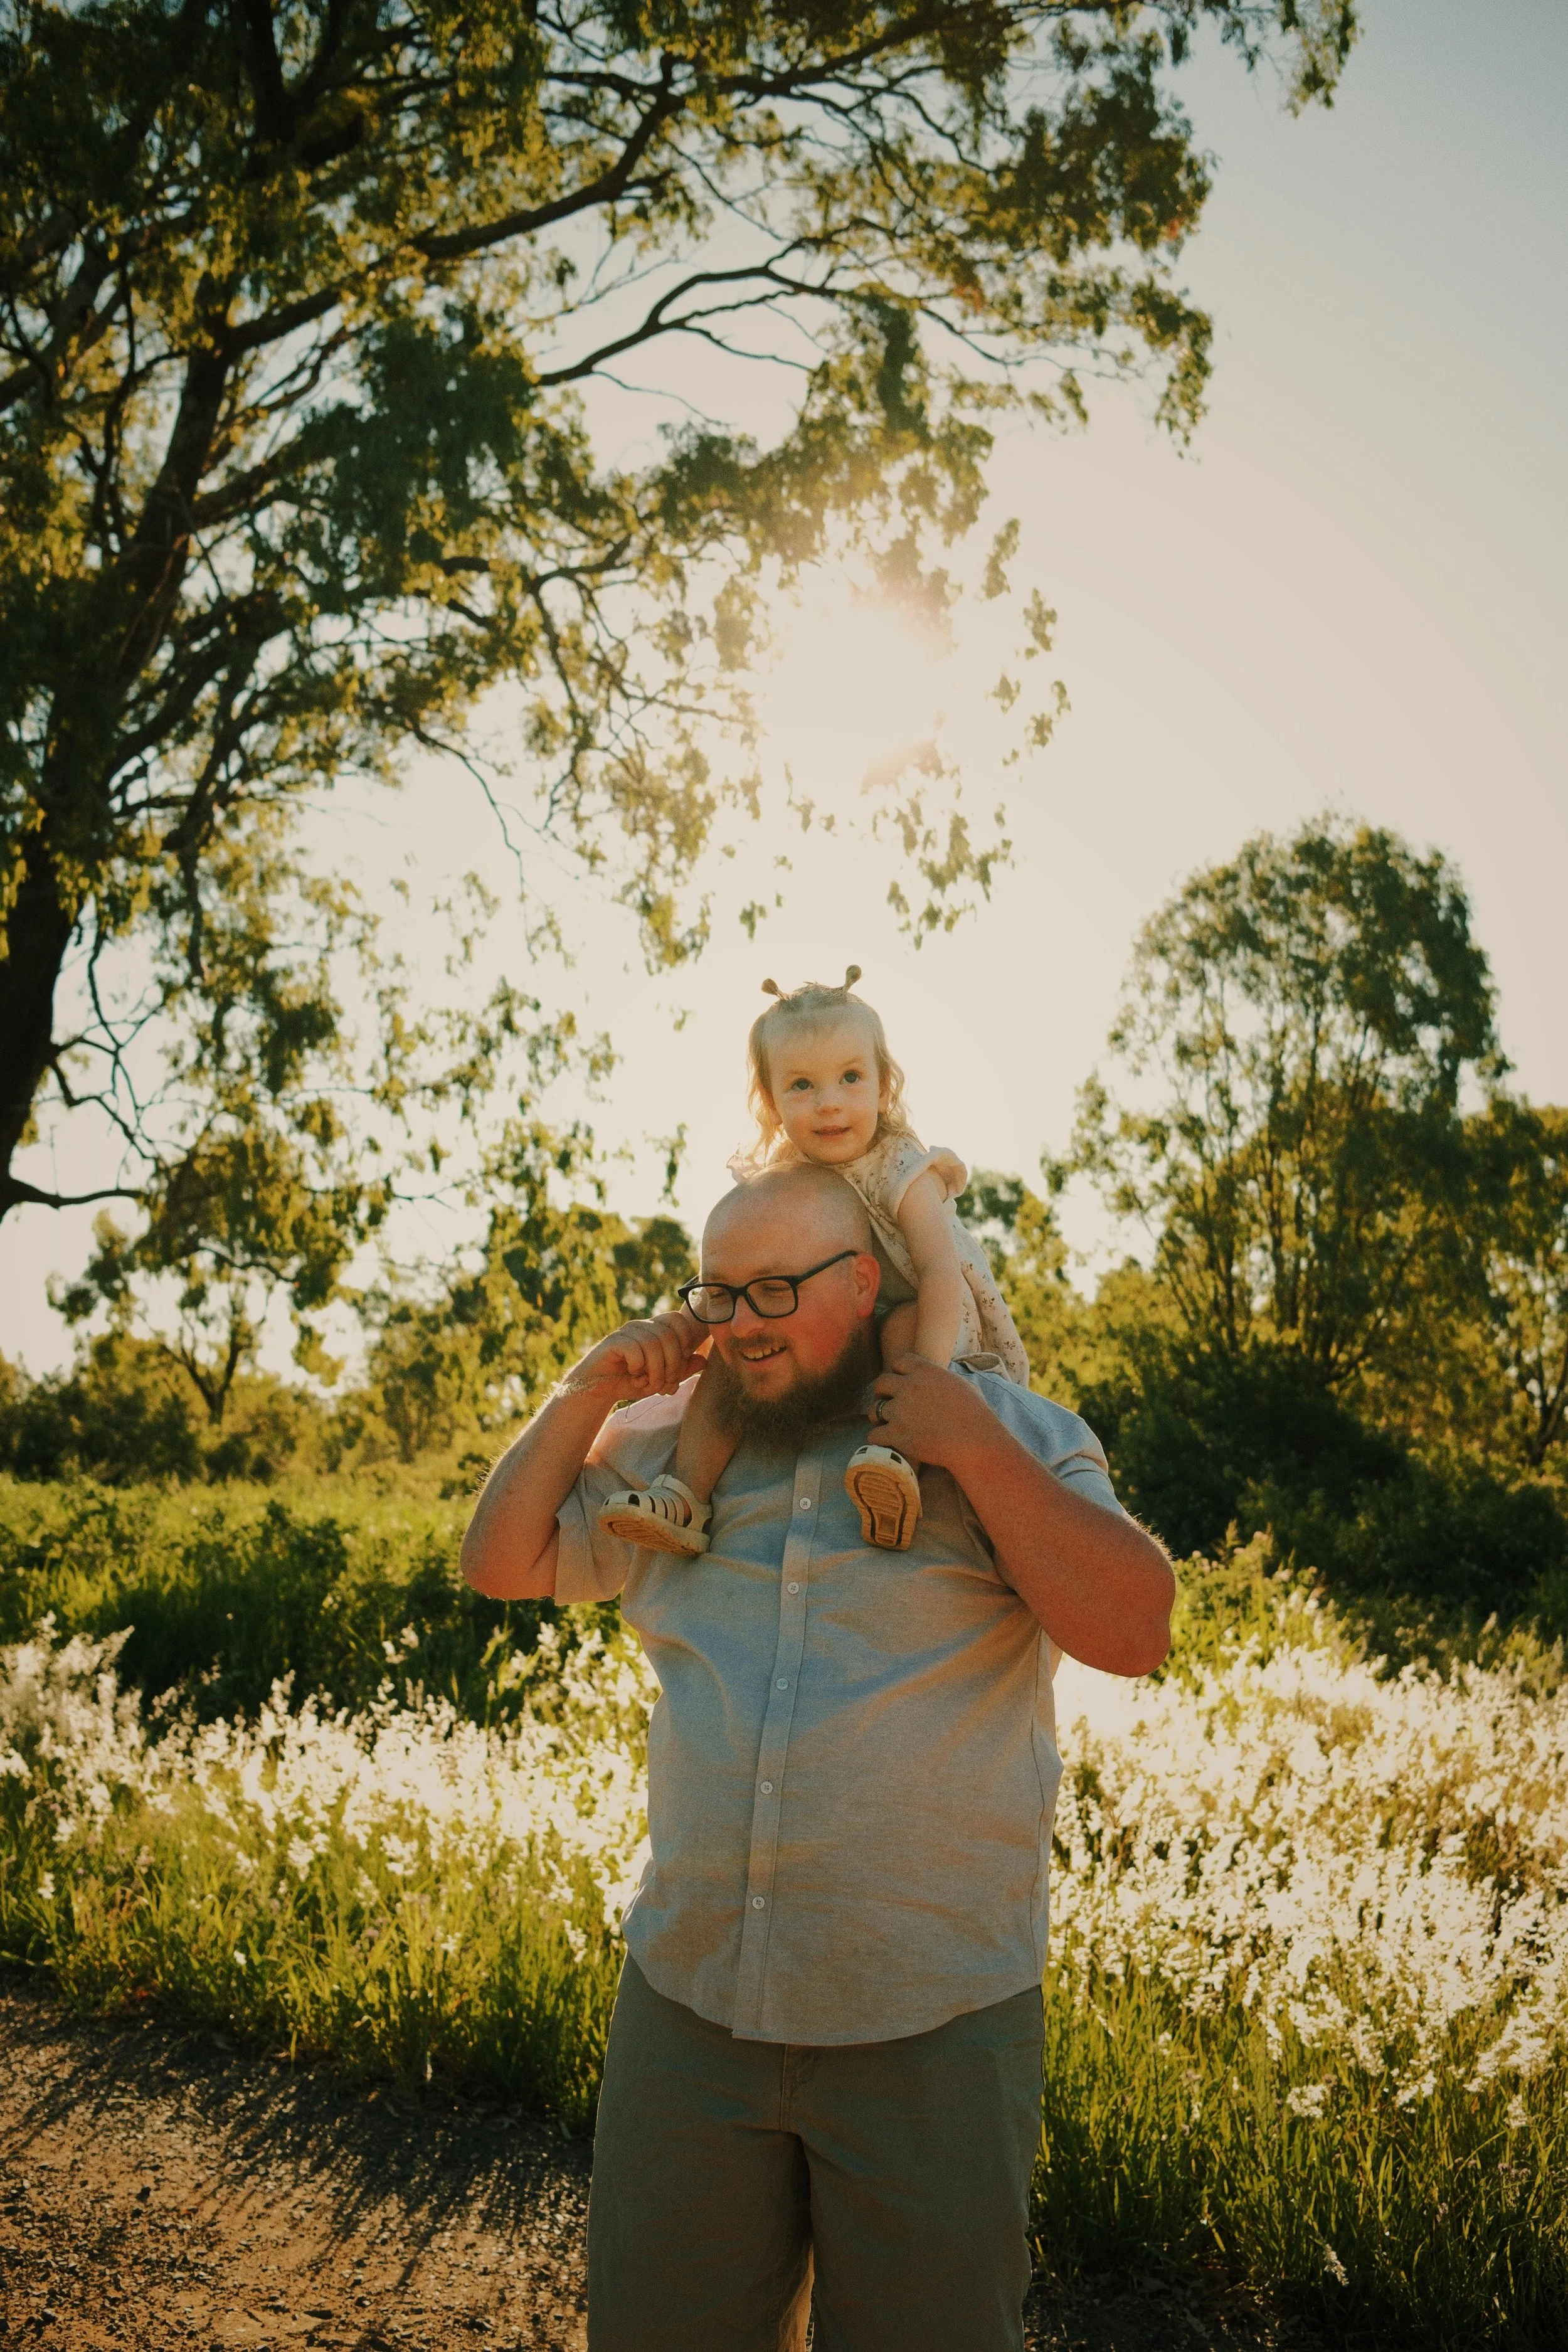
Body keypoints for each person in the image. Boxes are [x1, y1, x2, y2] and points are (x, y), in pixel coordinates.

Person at [462, 1161, 1174, 2352]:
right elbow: (502, 1560)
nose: (737, 1325)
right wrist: (588, 1389)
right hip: (689, 2013)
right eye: (718, 1293)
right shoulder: (666, 1463)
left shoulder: (1005, 1432)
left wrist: (975, 1450)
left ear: (862, 1283)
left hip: (931, 2025)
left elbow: (1134, 1630)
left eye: (774, 1293)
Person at [598, 966, 1030, 1559]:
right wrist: (692, 1328)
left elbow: (937, 1273)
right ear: (772, 1101)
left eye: (850, 1077)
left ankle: (892, 1463)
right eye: (802, 1085)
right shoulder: (779, 1177)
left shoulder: (902, 1167)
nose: (829, 1104)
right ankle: (686, 1496)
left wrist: (925, 1381)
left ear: (883, 1088)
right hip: (823, 1331)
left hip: (920, 1319)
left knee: (901, 1325)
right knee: (731, 1358)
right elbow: (740, 1276)